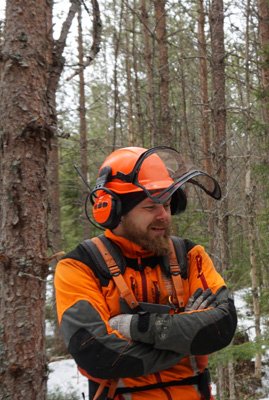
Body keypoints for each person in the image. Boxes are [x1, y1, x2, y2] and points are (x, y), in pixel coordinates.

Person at [55, 146, 237, 400]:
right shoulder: (79, 266)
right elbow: (95, 352)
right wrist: (184, 338)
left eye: (167, 203)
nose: (164, 215)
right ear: (114, 211)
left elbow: (222, 326)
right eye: (151, 206)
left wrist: (137, 327)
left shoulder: (189, 255)